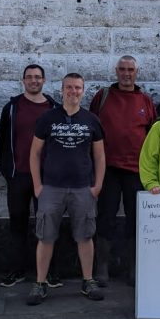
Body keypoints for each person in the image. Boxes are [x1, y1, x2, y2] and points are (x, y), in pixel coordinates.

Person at [27, 73, 107, 306]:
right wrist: (37, 186)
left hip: (83, 188)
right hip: (51, 188)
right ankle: (40, 283)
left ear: (84, 90)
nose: (73, 91)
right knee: (46, 236)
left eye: (78, 88)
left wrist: (98, 185)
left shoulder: (92, 120)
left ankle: (88, 280)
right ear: (62, 90)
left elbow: (100, 156)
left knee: (85, 235)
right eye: (69, 87)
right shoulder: (47, 118)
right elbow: (34, 154)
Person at [89, 55, 156, 284]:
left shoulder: (145, 100)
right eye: (122, 69)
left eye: (131, 70)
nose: (126, 74)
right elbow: (92, 129)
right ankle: (102, 268)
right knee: (105, 217)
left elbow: (152, 136)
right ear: (116, 71)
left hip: (136, 170)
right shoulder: (103, 96)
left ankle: (134, 268)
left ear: (137, 73)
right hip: (107, 169)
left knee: (135, 219)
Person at [0, 63, 60, 287]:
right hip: (19, 176)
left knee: (48, 226)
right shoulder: (12, 107)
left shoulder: (54, 108)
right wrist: (8, 171)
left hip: (47, 178)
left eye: (38, 77)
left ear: (44, 80)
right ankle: (17, 270)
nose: (34, 80)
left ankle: (49, 272)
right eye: (29, 77)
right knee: (18, 225)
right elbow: (3, 141)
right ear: (23, 80)